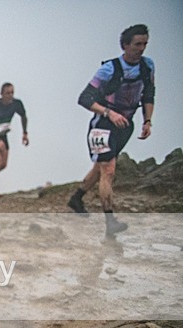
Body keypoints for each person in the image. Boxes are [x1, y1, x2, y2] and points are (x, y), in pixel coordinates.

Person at [68, 24, 155, 236]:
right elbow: (84, 98)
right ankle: (110, 222)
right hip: (103, 124)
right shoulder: (109, 69)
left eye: (144, 44)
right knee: (108, 170)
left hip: (125, 125)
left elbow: (149, 94)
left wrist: (147, 121)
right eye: (137, 44)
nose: (141, 49)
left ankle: (76, 198)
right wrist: (109, 113)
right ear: (125, 45)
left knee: (101, 167)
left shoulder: (148, 66)